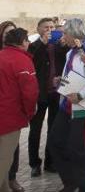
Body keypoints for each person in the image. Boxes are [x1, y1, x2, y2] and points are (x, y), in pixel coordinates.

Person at [48, 18, 85, 192]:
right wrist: (60, 81)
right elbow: (73, 75)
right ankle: (71, 183)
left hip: (83, 110)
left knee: (79, 152)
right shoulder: (70, 52)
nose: (63, 36)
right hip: (66, 108)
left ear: (75, 34)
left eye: (65, 33)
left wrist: (81, 95)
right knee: (56, 143)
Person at [0, 28, 38, 192]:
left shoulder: (2, 55)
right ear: (22, 42)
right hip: (9, 116)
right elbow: (30, 93)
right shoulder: (22, 61)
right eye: (27, 40)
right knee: (4, 159)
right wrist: (30, 112)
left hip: (5, 113)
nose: (29, 43)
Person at [28, 17, 61, 177]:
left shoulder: (57, 45)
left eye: (52, 27)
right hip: (39, 94)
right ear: (39, 29)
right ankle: (34, 164)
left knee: (53, 129)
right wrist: (42, 42)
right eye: (46, 27)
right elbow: (31, 57)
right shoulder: (33, 45)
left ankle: (50, 161)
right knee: (35, 130)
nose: (49, 30)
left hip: (55, 93)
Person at [0, 21, 25, 192]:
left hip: (11, 111)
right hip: (6, 110)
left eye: (12, 32)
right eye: (7, 32)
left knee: (11, 150)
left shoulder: (19, 54)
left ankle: (9, 181)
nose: (9, 35)